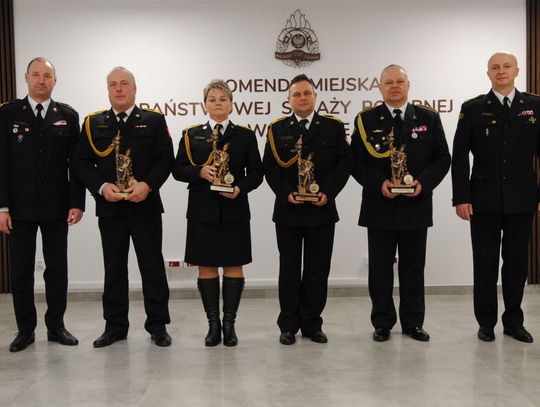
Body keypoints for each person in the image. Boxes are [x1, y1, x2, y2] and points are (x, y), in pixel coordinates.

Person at [351, 65, 450, 342]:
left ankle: (413, 323)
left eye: (399, 81)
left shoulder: (428, 117)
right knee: (379, 270)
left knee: (413, 268)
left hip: (416, 205)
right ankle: (382, 322)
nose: (394, 86)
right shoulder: (366, 120)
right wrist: (378, 183)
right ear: (380, 87)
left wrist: (423, 183)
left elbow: (442, 158)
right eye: (389, 82)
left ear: (408, 85)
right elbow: (355, 162)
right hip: (379, 205)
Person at [76, 66, 174, 347]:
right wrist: (101, 187)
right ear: (108, 90)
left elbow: (166, 158)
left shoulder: (154, 120)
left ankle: (158, 326)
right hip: (111, 207)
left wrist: (148, 185)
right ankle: (115, 326)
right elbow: (81, 162)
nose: (118, 89)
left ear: (134, 88)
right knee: (114, 268)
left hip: (145, 206)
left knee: (152, 266)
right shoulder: (93, 123)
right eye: (113, 84)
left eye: (124, 83)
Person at [452, 52, 540, 343]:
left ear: (517, 70)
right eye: (495, 67)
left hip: (522, 198)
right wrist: (461, 198)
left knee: (516, 264)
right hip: (483, 200)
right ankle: (486, 323)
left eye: (506, 66)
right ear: (488, 73)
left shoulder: (535, 106)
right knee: (485, 263)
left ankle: (514, 321)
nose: (501, 71)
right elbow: (459, 157)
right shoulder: (473, 108)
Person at [0, 57, 85, 352]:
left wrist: (77, 203)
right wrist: (2, 207)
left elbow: (76, 164)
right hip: (19, 207)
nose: (41, 80)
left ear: (55, 80)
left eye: (47, 75)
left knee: (57, 269)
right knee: (21, 271)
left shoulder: (68, 115)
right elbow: (2, 163)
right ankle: (25, 330)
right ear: (26, 77)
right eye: (35, 75)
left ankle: (56, 326)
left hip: (56, 206)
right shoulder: (8, 113)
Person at [263, 74, 352, 345]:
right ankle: (288, 325)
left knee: (317, 269)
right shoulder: (277, 129)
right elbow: (270, 167)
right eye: (297, 94)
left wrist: (329, 192)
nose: (302, 98)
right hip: (288, 211)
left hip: (322, 209)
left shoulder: (333, 127)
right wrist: (285, 193)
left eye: (307, 93)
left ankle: (313, 324)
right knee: (289, 269)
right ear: (289, 100)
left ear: (315, 97)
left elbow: (344, 163)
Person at [173, 79, 263, 347]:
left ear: (231, 104)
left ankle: (229, 325)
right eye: (212, 99)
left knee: (234, 265)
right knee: (207, 266)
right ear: (205, 105)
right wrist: (199, 171)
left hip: (235, 210)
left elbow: (257, 173)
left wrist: (240, 188)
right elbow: (177, 169)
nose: (217, 103)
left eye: (223, 99)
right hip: (202, 212)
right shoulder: (191, 135)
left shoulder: (245, 135)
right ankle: (213, 325)